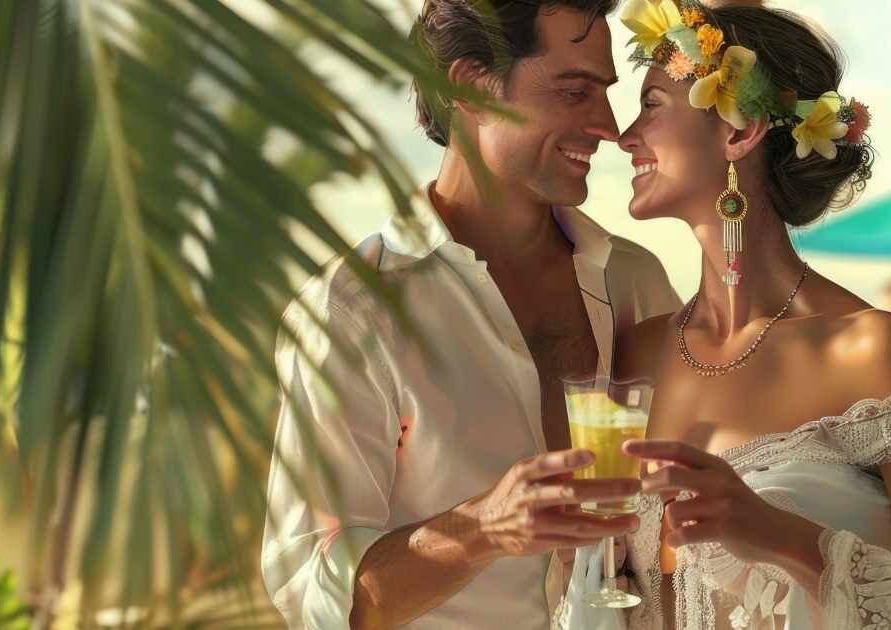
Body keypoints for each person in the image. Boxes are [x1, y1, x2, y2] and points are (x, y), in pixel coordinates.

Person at [559, 1, 891, 628]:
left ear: (739, 132)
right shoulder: (640, 354)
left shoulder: (870, 352)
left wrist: (783, 538)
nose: (626, 136)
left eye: (654, 104)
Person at [261, 1, 682, 628]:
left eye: (607, 93)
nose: (608, 125)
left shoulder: (635, 280)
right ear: (470, 87)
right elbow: (313, 591)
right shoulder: (352, 313)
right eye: (575, 91)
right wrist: (481, 528)